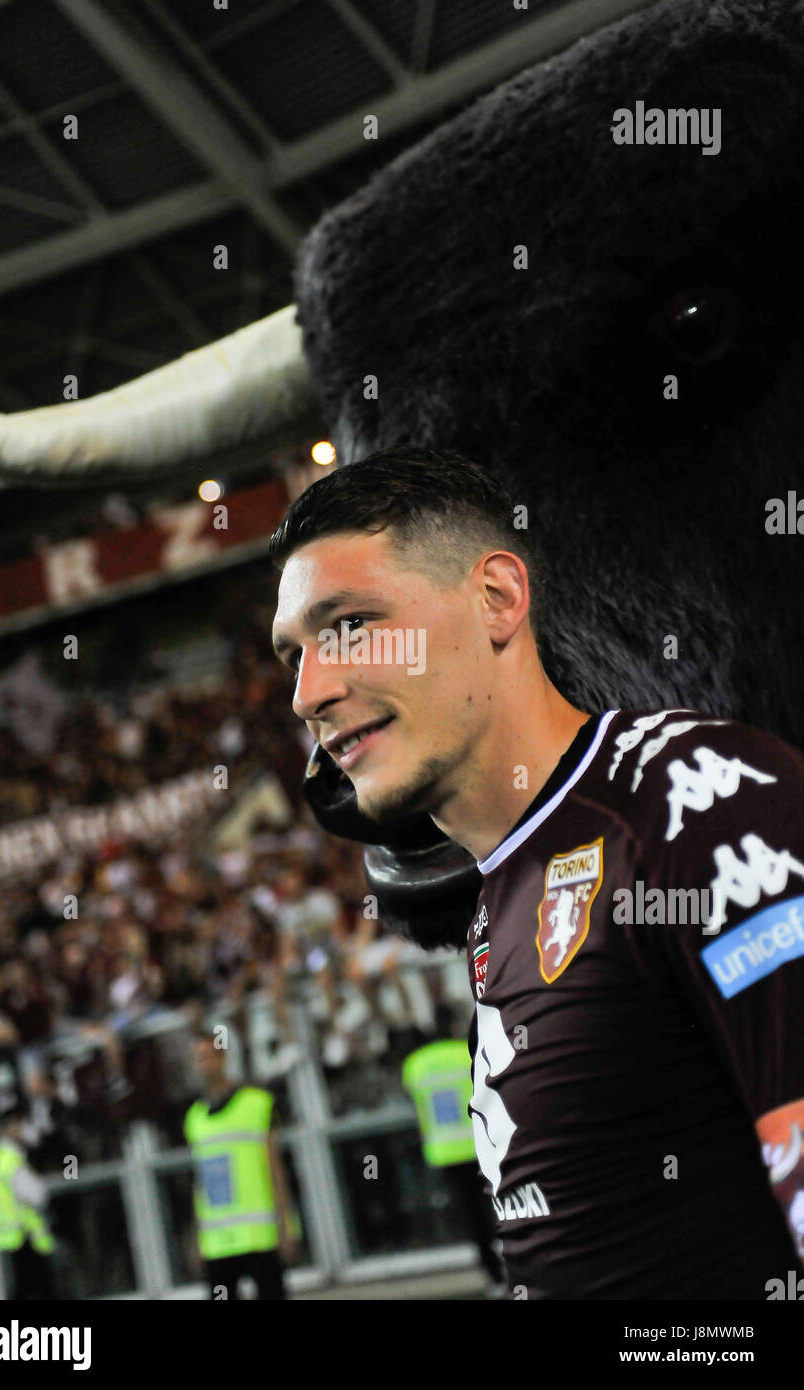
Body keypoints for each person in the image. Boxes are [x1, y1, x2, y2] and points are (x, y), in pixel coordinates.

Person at [269, 444, 804, 1300]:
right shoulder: (501, 892)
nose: (307, 692)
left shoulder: (697, 801)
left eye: (350, 626)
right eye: (292, 652)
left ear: (498, 600)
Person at [184, 1033, 297, 1300]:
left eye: (209, 1056)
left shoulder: (257, 1104)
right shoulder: (194, 1117)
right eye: (199, 1058)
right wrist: (198, 1237)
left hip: (259, 1235)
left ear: (223, 1058)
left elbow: (275, 1169)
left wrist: (286, 1227)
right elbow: (201, 1181)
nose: (204, 1064)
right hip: (218, 1240)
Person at [401, 1005, 503, 1292]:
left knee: (473, 1217)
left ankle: (494, 1275)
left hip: (446, 1151)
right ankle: (519, 1256)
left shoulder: (414, 1065)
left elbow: (416, 1102)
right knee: (500, 1203)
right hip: (483, 1142)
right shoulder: (465, 1050)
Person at [0, 1110, 56, 1300]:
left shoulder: (1, 1157)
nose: (22, 1129)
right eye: (18, 1125)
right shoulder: (10, 1158)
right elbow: (37, 1194)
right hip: (24, 1237)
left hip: (14, 1238)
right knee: (37, 1291)